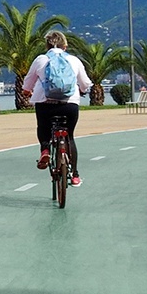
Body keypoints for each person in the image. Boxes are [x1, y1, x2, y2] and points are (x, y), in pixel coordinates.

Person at [20, 30, 91, 187]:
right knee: (69, 136)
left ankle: (45, 150)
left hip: (45, 104)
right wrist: (82, 90)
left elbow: (28, 82)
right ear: (65, 46)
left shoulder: (41, 59)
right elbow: (85, 83)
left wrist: (26, 91)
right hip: (69, 105)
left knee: (43, 127)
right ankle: (75, 176)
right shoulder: (74, 60)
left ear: (47, 46)